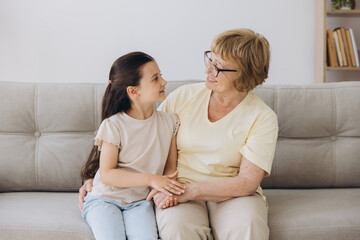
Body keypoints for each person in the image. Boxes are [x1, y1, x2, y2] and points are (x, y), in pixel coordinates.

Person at [79, 28, 278, 240]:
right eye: (210, 60)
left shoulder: (262, 117)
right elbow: (140, 134)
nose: (208, 71)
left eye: (218, 68)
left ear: (245, 75)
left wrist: (190, 191)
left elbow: (247, 182)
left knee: (246, 227)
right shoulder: (185, 96)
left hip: (231, 194)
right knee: (177, 229)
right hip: (177, 188)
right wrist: (94, 178)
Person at [79, 51, 185, 240]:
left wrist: (166, 189)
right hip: (104, 199)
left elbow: (170, 169)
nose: (164, 82)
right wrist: (152, 180)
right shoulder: (113, 125)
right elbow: (108, 174)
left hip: (139, 202)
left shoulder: (170, 122)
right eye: (155, 79)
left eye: (161, 75)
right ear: (133, 91)